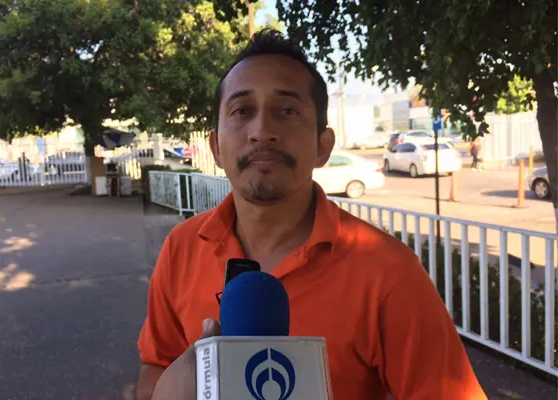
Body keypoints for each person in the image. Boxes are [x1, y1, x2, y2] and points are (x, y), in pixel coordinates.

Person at [136, 29, 487, 400]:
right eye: (242, 111)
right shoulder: (181, 248)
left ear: (323, 145)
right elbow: (154, 366)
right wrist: (172, 387)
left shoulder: (388, 272)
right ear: (215, 148)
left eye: (287, 111)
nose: (262, 131)